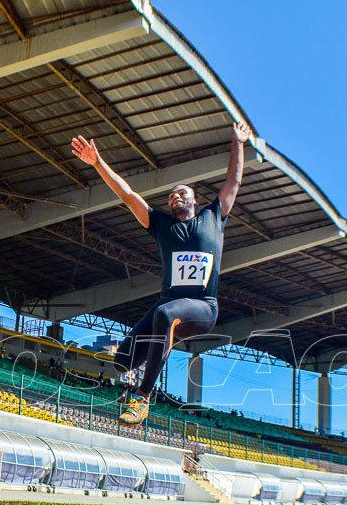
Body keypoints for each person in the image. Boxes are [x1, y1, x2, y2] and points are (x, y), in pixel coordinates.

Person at [71, 120, 252, 424]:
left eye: (181, 193)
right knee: (122, 361)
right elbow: (127, 195)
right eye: (170, 196)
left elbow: (233, 182)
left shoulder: (213, 216)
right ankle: (151, 359)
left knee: (165, 315)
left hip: (203, 308)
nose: (174, 197)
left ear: (195, 201)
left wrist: (238, 143)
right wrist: (97, 162)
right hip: (166, 307)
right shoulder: (161, 225)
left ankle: (142, 398)